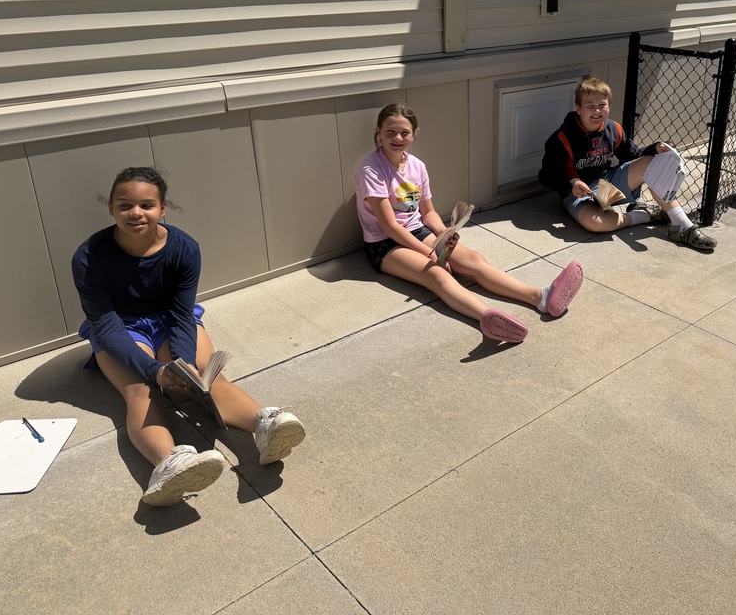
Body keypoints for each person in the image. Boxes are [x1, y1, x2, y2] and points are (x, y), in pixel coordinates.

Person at [72, 167, 306, 506]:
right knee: (141, 389)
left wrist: (179, 364)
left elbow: (181, 312)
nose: (135, 213)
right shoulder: (88, 257)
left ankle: (265, 425)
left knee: (206, 377)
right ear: (111, 209)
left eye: (147, 205)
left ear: (163, 208)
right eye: (124, 205)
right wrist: (156, 370)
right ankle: (170, 464)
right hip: (122, 328)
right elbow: (106, 326)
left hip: (170, 320)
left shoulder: (184, 248)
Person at [355, 103, 583, 344]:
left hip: (417, 231)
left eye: (404, 132)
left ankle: (541, 297)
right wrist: (432, 254)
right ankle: (487, 318)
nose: (397, 138)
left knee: (474, 260)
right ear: (378, 131)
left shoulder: (417, 166)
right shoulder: (372, 170)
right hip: (385, 244)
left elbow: (428, 212)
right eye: (390, 131)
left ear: (414, 134)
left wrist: (445, 234)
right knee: (436, 275)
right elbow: (390, 227)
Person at [539, 77, 717, 250]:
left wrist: (655, 148)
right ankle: (643, 215)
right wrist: (572, 184)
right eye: (590, 106)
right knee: (595, 223)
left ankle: (682, 225)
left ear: (609, 106)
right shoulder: (562, 138)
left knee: (652, 162)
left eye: (602, 105)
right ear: (578, 108)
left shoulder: (613, 129)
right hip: (578, 194)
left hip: (605, 186)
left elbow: (634, 156)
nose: (597, 111)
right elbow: (546, 177)